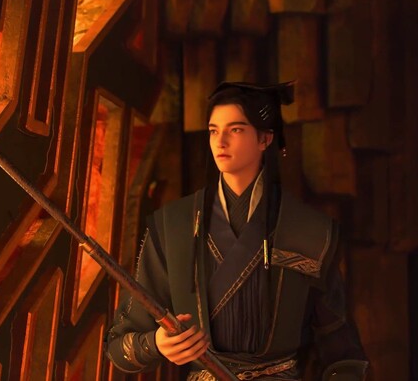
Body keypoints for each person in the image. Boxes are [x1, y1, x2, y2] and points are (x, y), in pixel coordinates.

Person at [105, 82, 368, 380]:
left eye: (236, 129)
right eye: (213, 131)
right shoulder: (173, 224)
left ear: (265, 138)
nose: (221, 142)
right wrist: (156, 344)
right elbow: (119, 345)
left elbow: (343, 352)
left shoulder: (309, 229)